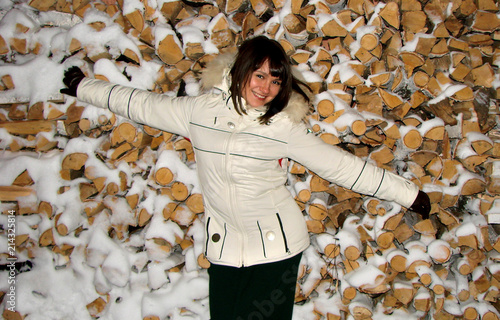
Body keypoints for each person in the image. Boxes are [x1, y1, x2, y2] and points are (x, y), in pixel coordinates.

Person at [61, 35, 431, 320]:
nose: (264, 87)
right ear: (240, 71)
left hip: (276, 250)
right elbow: (140, 104)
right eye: (258, 75)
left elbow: (340, 166)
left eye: (274, 79)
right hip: (224, 248)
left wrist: (407, 193)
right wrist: (84, 87)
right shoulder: (200, 111)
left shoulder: (281, 127)